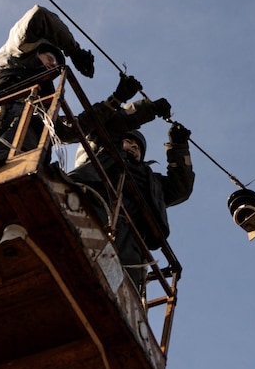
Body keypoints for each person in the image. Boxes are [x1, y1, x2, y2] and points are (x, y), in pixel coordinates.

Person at [0, 4, 165, 166]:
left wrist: (116, 100)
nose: (53, 65)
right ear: (36, 49)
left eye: (57, 64)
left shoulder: (44, 103)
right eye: (50, 57)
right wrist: (74, 50)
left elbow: (73, 131)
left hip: (30, 158)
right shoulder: (11, 58)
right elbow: (38, 16)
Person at [68, 122, 195, 289]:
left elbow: (180, 188)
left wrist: (178, 147)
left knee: (124, 280)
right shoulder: (101, 152)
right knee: (76, 254)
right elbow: (103, 126)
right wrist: (136, 114)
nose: (134, 148)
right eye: (129, 141)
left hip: (130, 239)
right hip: (94, 212)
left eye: (138, 147)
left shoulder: (152, 182)